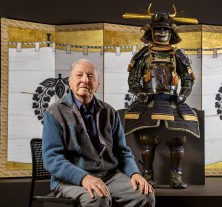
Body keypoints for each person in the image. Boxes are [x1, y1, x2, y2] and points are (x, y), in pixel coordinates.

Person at [42, 59, 155, 207]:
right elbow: (52, 158)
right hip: (71, 180)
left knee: (145, 195)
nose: (84, 80)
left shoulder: (109, 112)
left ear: (97, 85)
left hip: (109, 175)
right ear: (70, 82)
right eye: (79, 75)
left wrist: (135, 173)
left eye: (90, 76)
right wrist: (84, 178)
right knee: (98, 198)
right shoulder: (54, 112)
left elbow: (122, 151)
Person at [123, 5, 200, 189]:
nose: (162, 33)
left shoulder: (177, 55)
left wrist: (183, 94)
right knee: (147, 141)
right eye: (158, 29)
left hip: (172, 101)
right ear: (151, 31)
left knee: (179, 140)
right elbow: (133, 79)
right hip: (148, 101)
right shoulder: (143, 55)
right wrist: (140, 93)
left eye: (165, 29)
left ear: (171, 32)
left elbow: (187, 79)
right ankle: (147, 176)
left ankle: (176, 177)